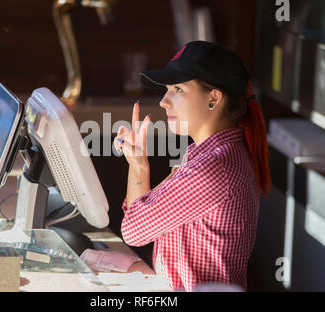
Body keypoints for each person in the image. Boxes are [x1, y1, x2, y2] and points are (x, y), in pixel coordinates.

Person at [113, 41, 271, 292]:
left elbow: (134, 231)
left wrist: (140, 170)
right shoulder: (205, 153)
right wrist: (139, 166)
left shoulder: (212, 167)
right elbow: (140, 222)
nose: (164, 101)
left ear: (213, 98)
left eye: (177, 89)